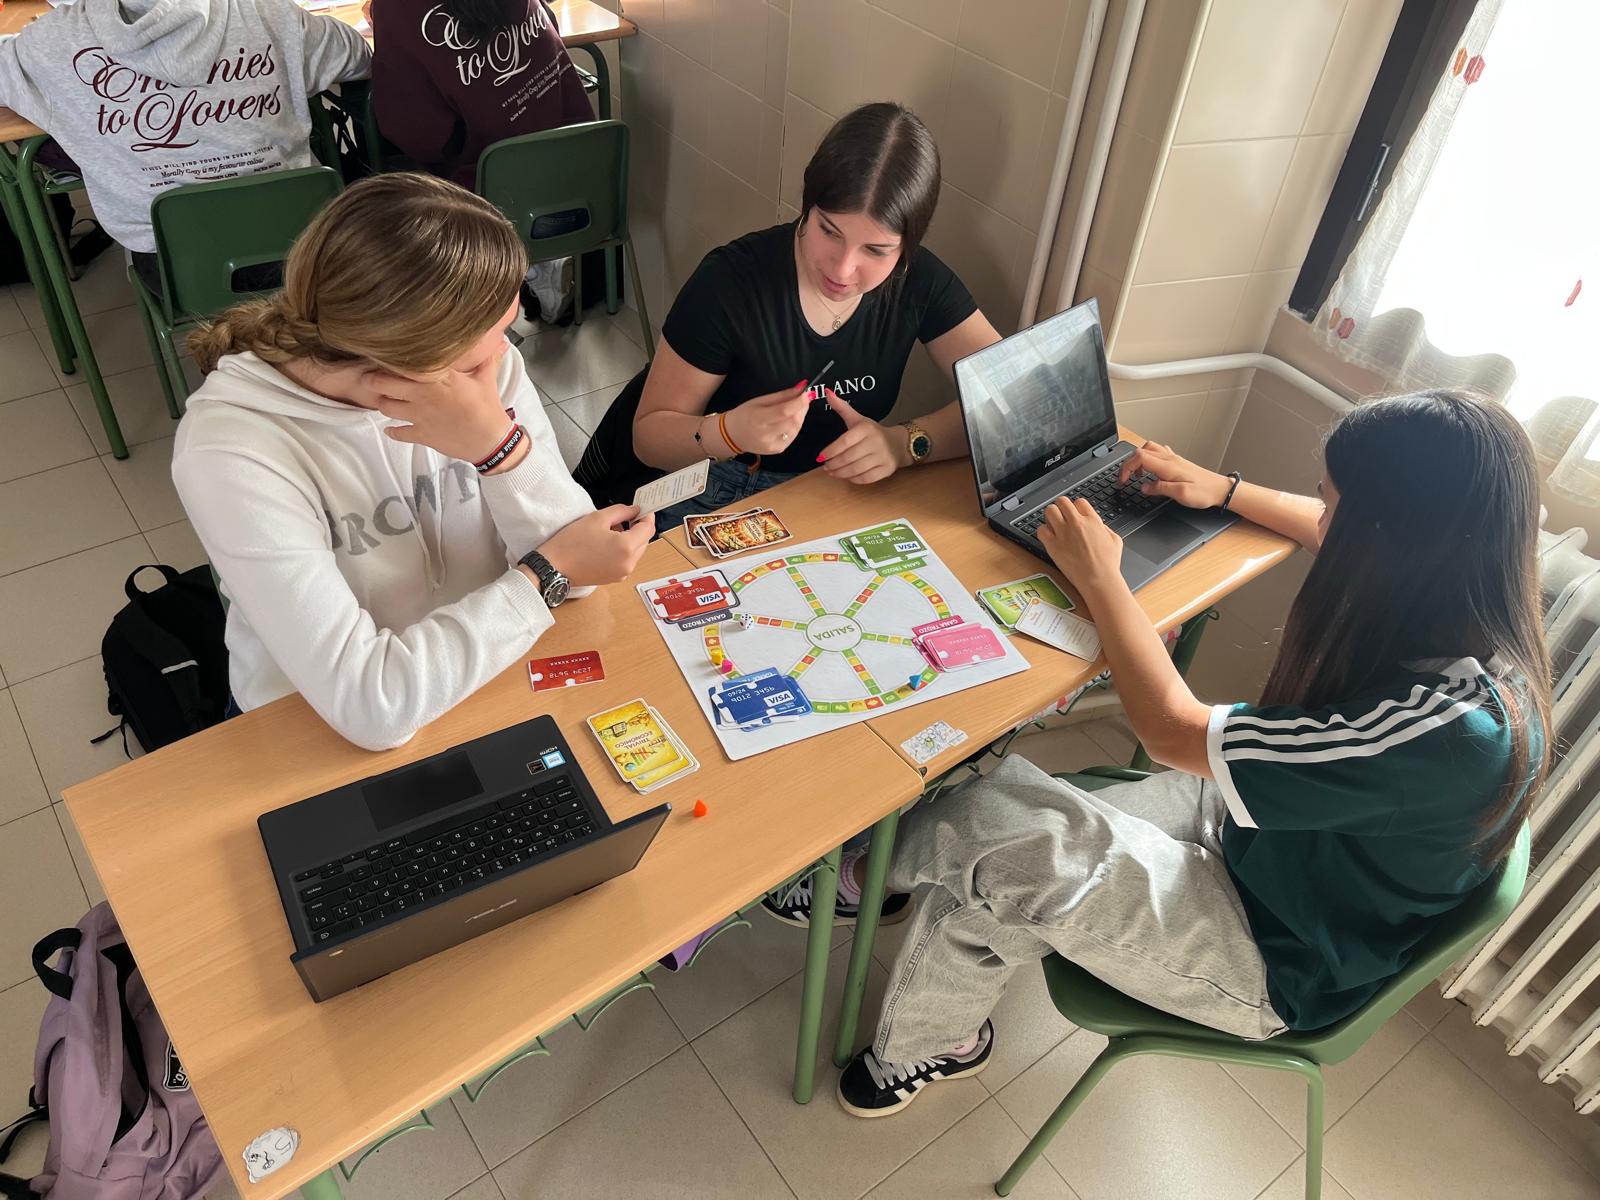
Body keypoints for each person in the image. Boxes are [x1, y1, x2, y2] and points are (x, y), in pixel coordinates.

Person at [769, 392, 1551, 1117]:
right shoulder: (1467, 597)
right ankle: (919, 972)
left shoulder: (1447, 734)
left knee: (979, 819)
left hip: (1274, 955)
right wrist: (1223, 488)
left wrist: (1101, 578)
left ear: (1390, 538)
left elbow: (1170, 732)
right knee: (1000, 844)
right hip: (1272, 849)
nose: (1321, 515)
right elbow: (1322, 528)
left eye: (1333, 503)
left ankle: (870, 893)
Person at [173, 173, 654, 751]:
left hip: (485, 675)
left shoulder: (484, 370)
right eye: (491, 337)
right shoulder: (230, 449)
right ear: (404, 361)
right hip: (313, 733)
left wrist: (500, 451)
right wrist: (543, 576)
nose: (507, 350)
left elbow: (582, 571)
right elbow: (371, 708)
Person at [574, 102, 1003, 525]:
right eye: (829, 231)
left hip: (830, 489)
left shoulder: (919, 280)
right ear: (807, 206)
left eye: (875, 251)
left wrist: (905, 444)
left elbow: (1008, 398)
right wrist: (729, 432)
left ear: (907, 247)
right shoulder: (731, 281)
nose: (842, 269)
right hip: (713, 483)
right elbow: (648, 438)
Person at [0, 0, 371, 295]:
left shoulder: (50, 43)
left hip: (179, 274)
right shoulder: (273, 13)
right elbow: (358, 56)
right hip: (307, 247)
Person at [368, 0, 594, 321]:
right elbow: (552, 25)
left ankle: (496, 281)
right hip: (580, 173)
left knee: (392, 168)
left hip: (489, 205)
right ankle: (536, 261)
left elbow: (415, 132)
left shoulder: (398, 9)